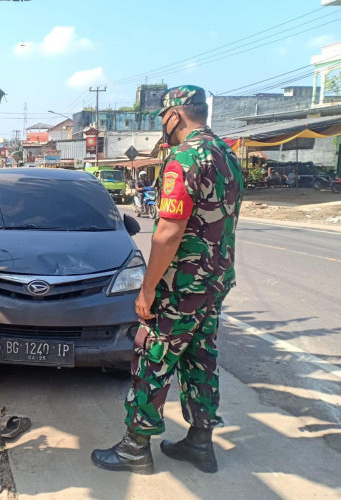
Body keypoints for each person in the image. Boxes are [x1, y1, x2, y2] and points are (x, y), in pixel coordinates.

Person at [91, 85, 244, 475]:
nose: (164, 127)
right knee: (201, 358)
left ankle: (134, 448)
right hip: (214, 282)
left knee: (153, 358)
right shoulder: (227, 154)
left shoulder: (184, 158)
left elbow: (168, 233)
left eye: (163, 119)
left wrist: (147, 289)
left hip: (182, 286)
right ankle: (200, 442)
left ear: (175, 115)